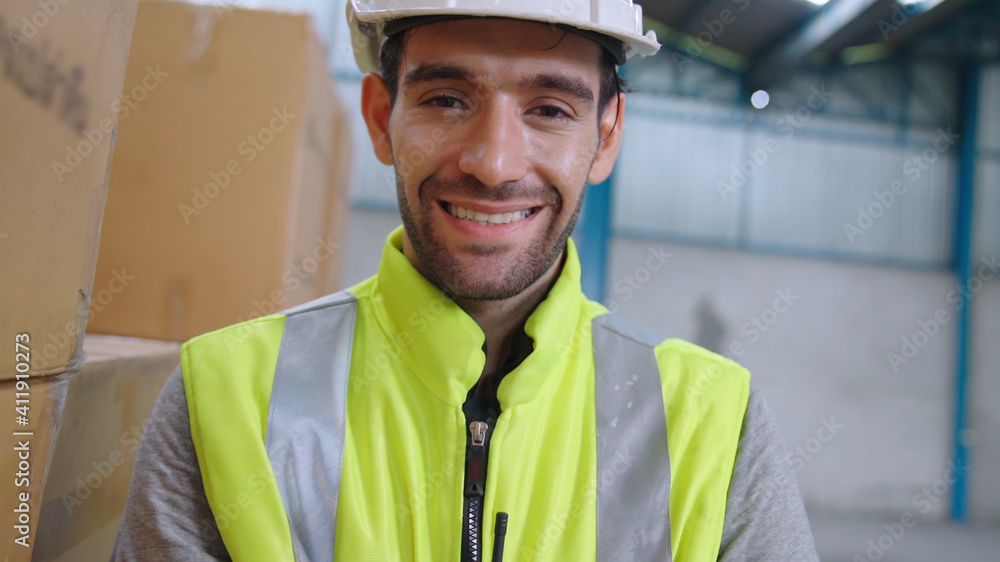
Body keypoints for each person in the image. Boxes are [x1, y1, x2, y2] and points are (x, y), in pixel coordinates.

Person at [112, 1, 819, 560]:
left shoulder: (713, 424)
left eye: (549, 109)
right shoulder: (229, 397)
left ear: (606, 137)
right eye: (448, 99)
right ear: (382, 119)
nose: (494, 162)